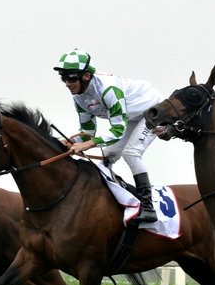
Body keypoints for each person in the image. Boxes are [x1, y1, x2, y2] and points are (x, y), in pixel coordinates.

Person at [53, 48, 164, 224]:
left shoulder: (108, 89)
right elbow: (88, 133)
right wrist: (68, 142)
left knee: (131, 153)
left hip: (152, 111)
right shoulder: (79, 97)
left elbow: (117, 130)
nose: (67, 83)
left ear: (86, 76)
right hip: (131, 117)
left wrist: (87, 145)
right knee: (107, 157)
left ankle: (148, 207)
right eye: (63, 78)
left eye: (71, 78)